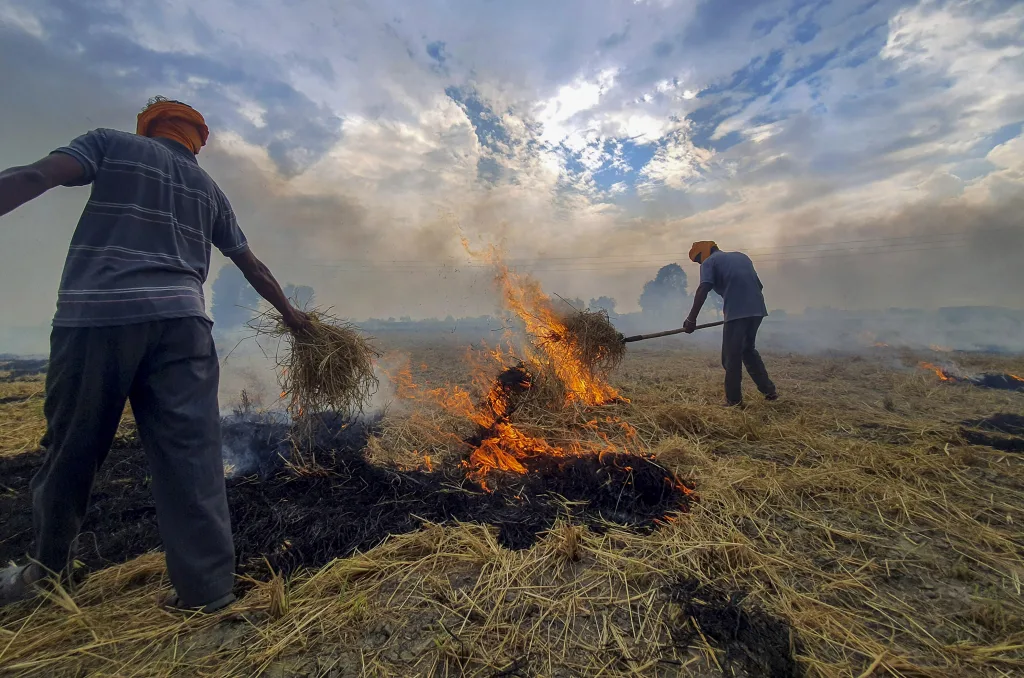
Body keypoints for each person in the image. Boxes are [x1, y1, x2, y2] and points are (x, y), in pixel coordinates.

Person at [0, 97, 311, 611]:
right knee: (193, 458)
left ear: (149, 128)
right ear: (197, 142)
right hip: (185, 329)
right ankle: (208, 593)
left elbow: (38, 176)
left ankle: (48, 576)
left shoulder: (112, 145)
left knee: (71, 452)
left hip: (99, 320)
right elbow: (252, 266)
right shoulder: (208, 189)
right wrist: (293, 317)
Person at [683, 241, 777, 407]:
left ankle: (733, 401)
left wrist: (691, 319)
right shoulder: (742, 257)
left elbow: (703, 289)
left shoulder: (709, 262)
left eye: (698, 259)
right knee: (748, 351)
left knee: (731, 356)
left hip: (737, 312)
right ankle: (769, 391)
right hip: (758, 309)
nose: (699, 263)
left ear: (703, 253)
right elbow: (759, 285)